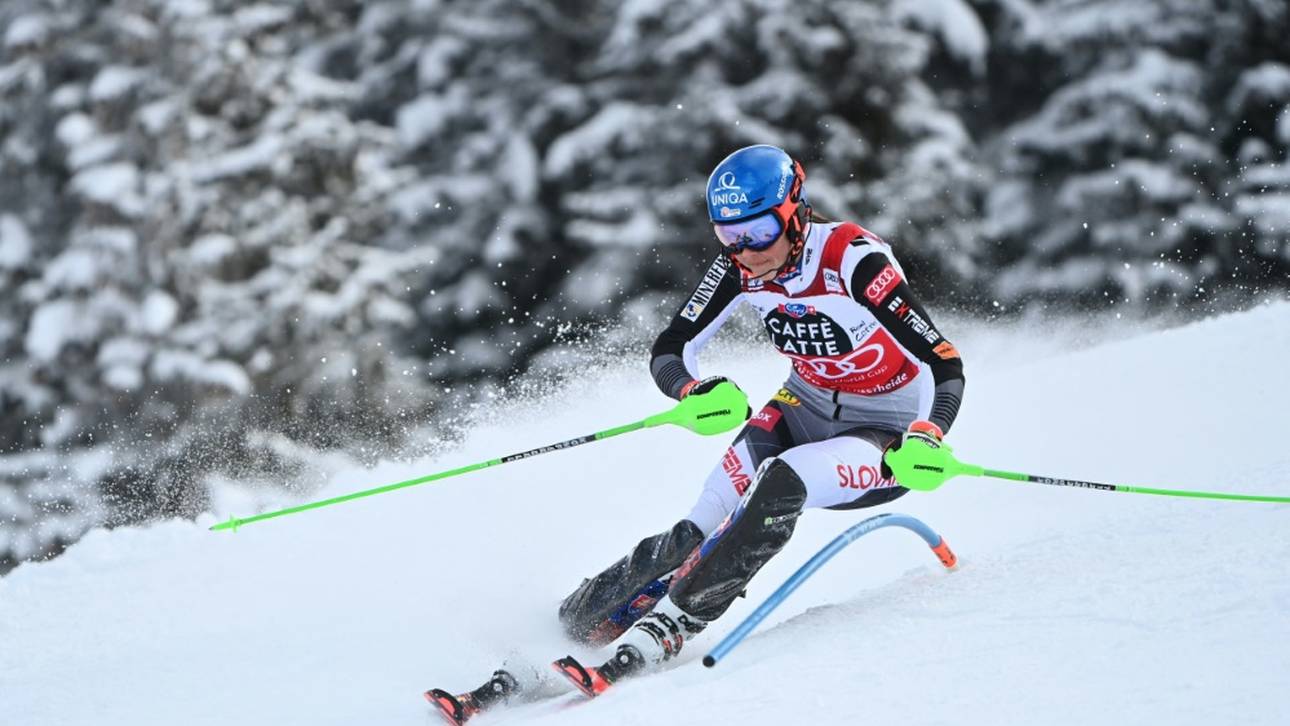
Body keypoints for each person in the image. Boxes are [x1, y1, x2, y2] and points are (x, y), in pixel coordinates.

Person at [554, 144, 966, 693]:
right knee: (695, 531)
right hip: (803, 406)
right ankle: (575, 619)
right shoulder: (740, 267)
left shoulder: (853, 260)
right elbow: (671, 348)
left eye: (758, 232)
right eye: (728, 236)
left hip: (885, 434)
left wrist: (930, 432)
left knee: (782, 482)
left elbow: (943, 358)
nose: (744, 251)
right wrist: (691, 388)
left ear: (795, 213)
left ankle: (674, 624)